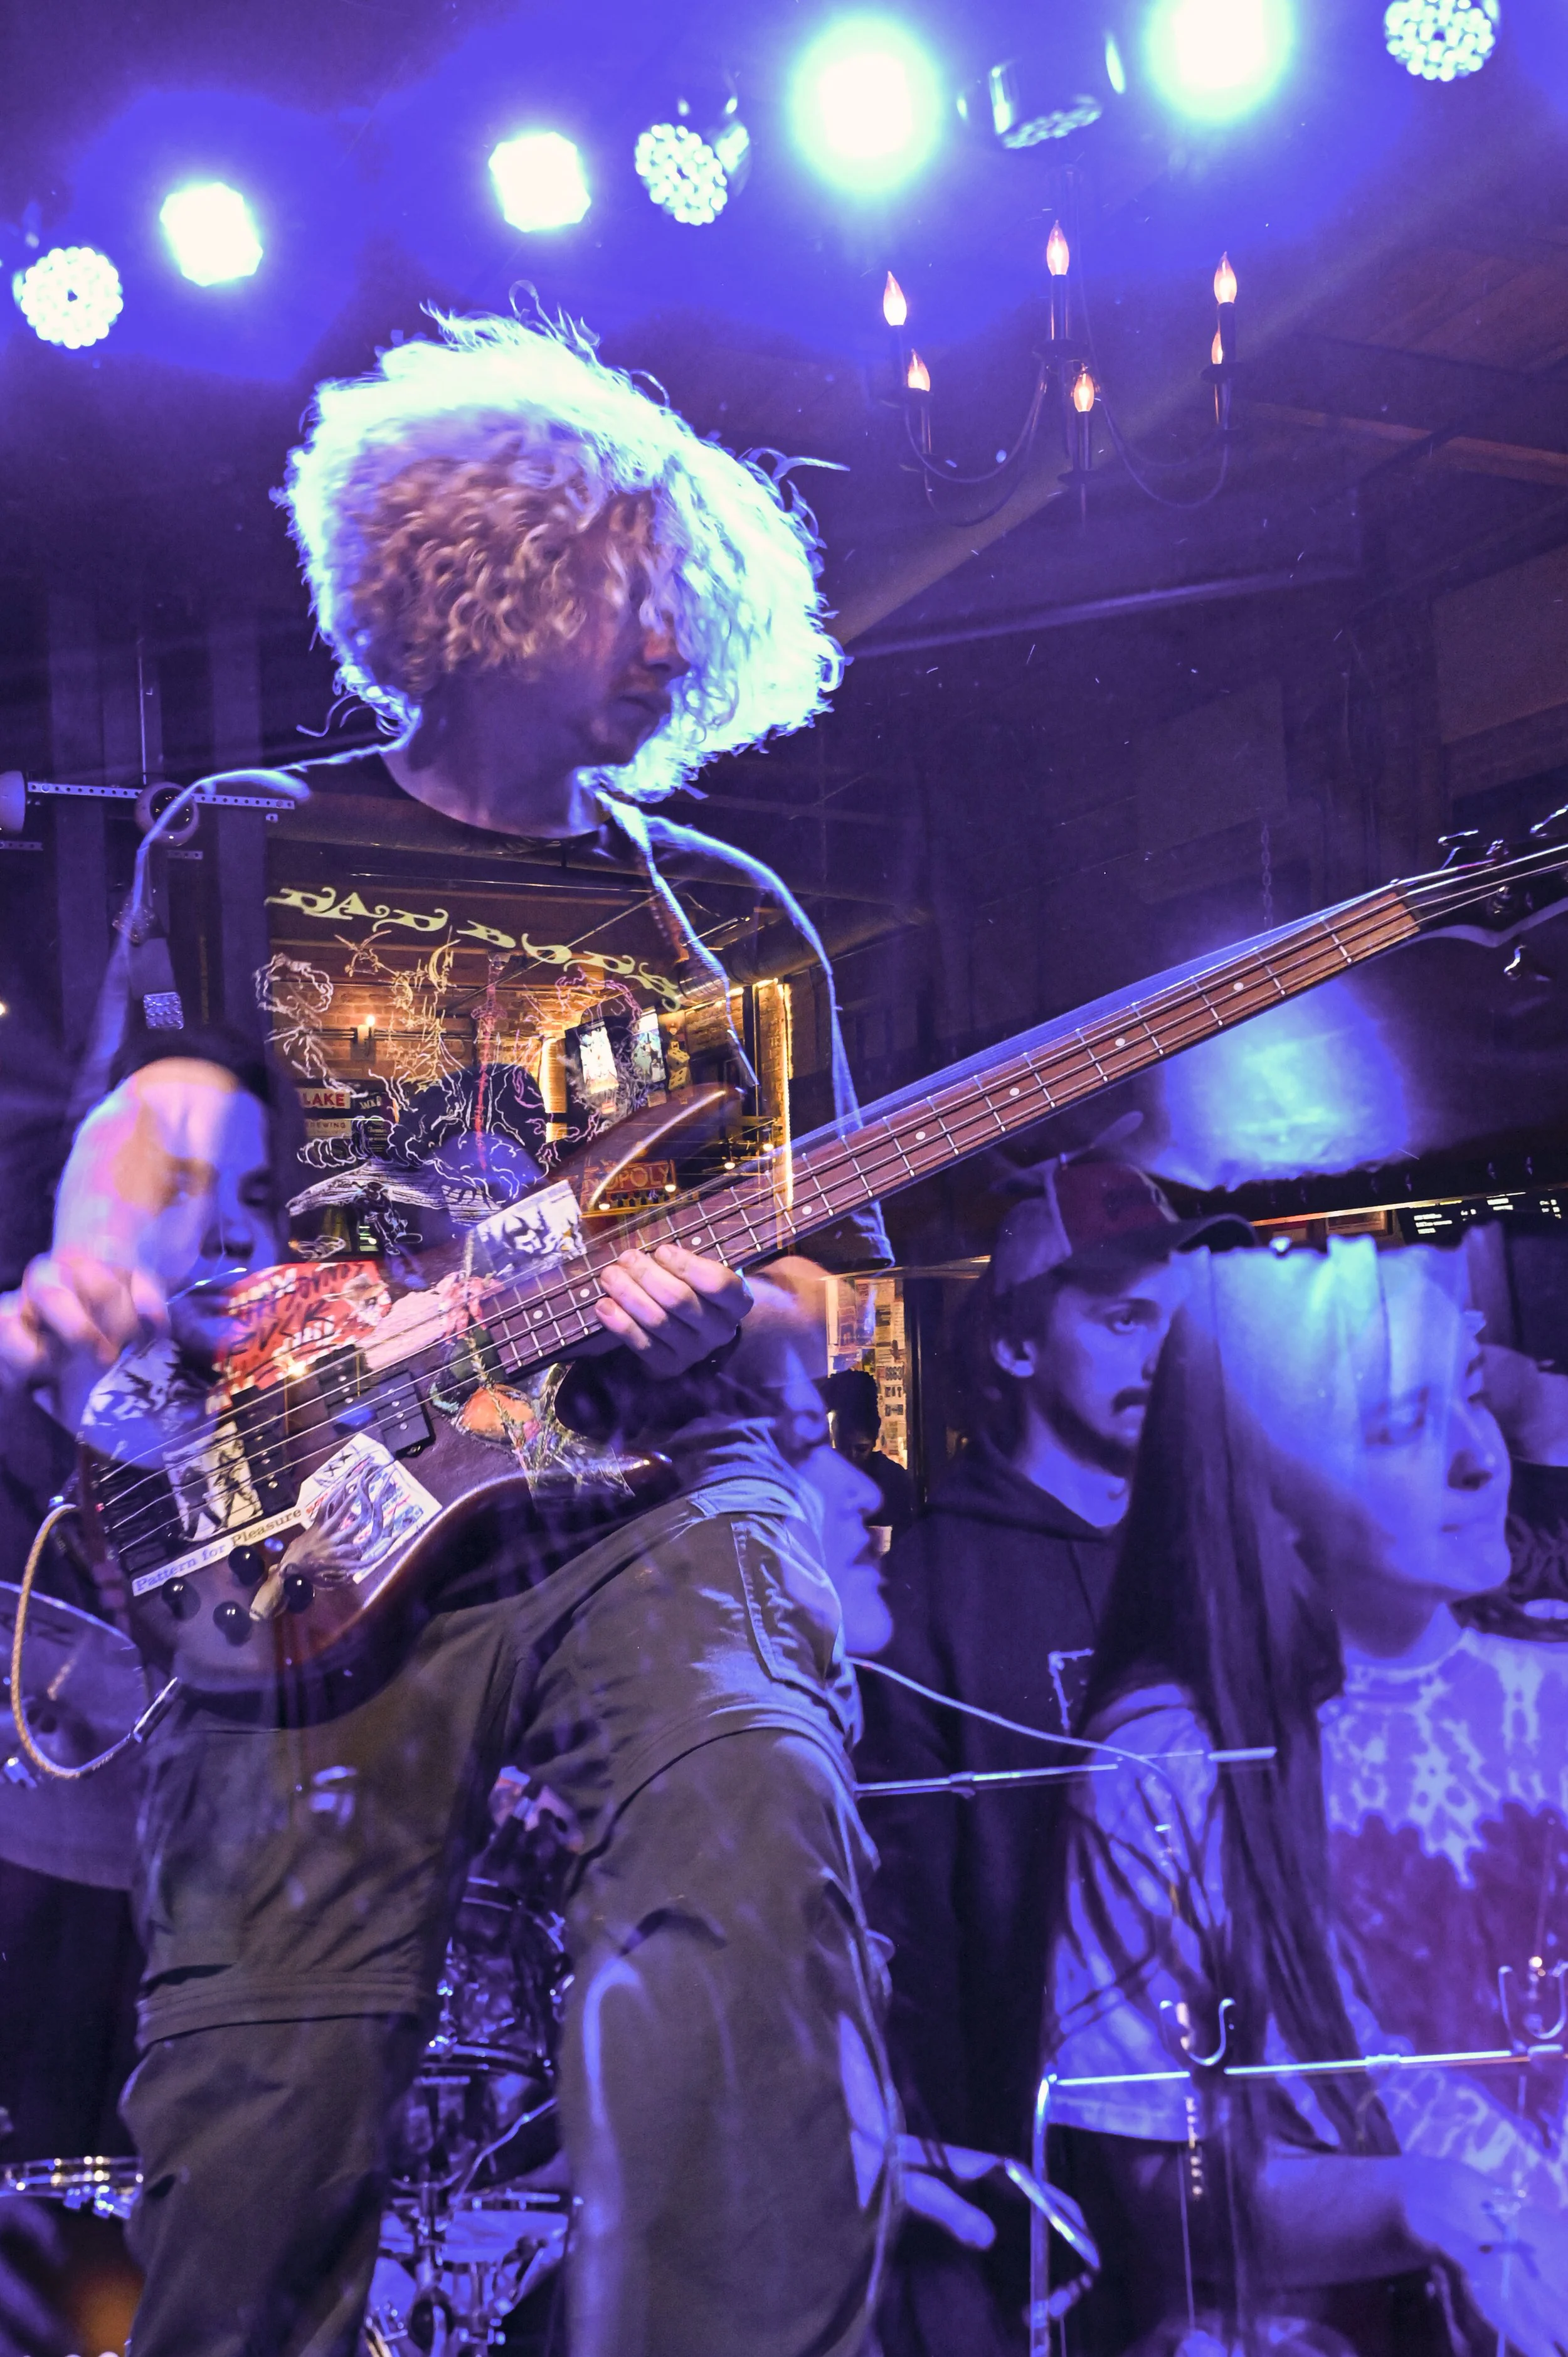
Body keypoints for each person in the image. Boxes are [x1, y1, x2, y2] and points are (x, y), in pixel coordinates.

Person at [1, 311, 900, 2357]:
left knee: (753, 1882)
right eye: (630, 578)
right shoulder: (245, 837)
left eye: (693, 594)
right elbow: (167, 1125)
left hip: (651, 1491)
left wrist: (748, 1302)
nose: (671, 630)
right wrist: (106, 1263)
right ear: (482, 567)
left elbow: (850, 1309)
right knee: (252, 2121)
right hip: (316, 1504)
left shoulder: (730, 919)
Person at [1041, 1240, 1568, 2357]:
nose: (1477, 1457)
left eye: (1469, 1395)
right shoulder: (1170, 1767)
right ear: (1273, 1496)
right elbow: (1160, 2178)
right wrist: (1420, 2204)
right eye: (1401, 1423)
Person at [856, 1154, 1251, 2357]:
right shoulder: (922, 1601)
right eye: (1123, 1316)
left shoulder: (1233, 1572)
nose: (1158, 1356)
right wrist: (964, 2208)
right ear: (1017, 1345)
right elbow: (909, 1947)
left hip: (1245, 2166)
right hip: (1045, 2204)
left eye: (1177, 1325)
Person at [825, 1366, 916, 1548]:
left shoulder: (892, 1478)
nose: (851, 1457)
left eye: (861, 1449)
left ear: (875, 1441)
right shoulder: (822, 1473)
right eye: (844, 1447)